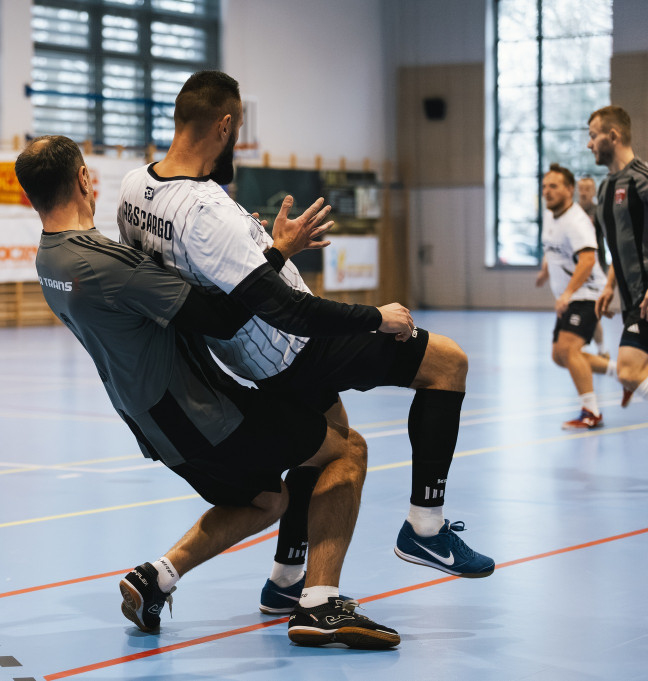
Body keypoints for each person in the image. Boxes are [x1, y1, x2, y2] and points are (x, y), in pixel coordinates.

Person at [115, 71, 495, 623]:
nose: (238, 140)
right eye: (238, 129)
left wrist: (274, 247)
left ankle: (288, 580)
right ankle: (425, 527)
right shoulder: (206, 212)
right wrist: (378, 318)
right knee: (448, 364)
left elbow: (193, 276)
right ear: (224, 125)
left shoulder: (134, 190)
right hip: (292, 346)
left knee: (333, 447)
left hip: (252, 358)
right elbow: (286, 311)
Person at [17, 135, 410, 648]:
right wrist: (278, 251)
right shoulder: (105, 265)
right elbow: (223, 319)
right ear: (84, 179)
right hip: (202, 413)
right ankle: (320, 604)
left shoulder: (50, 260)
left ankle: (155, 578)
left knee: (268, 499)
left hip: (155, 425)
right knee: (346, 450)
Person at [535, 163, 615, 429]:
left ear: (569, 190)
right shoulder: (550, 215)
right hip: (572, 295)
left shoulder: (577, 220)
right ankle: (622, 372)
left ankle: (591, 412)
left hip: (587, 293)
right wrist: (546, 270)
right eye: (545, 186)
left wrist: (568, 293)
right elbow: (552, 247)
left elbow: (589, 259)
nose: (547, 191)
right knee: (559, 355)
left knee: (569, 349)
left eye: (554, 186)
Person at [587, 105, 648, 408]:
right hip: (631, 298)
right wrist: (610, 284)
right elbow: (618, 244)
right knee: (631, 371)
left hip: (645, 298)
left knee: (627, 369)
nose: (589, 144)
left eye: (593, 136)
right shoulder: (606, 188)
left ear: (613, 136)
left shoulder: (642, 179)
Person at [577, 175, 610, 354]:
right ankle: (586, 345)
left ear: (594, 191)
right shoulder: (573, 213)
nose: (583, 193)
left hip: (596, 270)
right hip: (577, 270)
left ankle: (601, 349)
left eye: (587, 189)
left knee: (593, 309)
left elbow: (610, 239)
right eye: (581, 189)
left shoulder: (599, 212)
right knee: (580, 308)